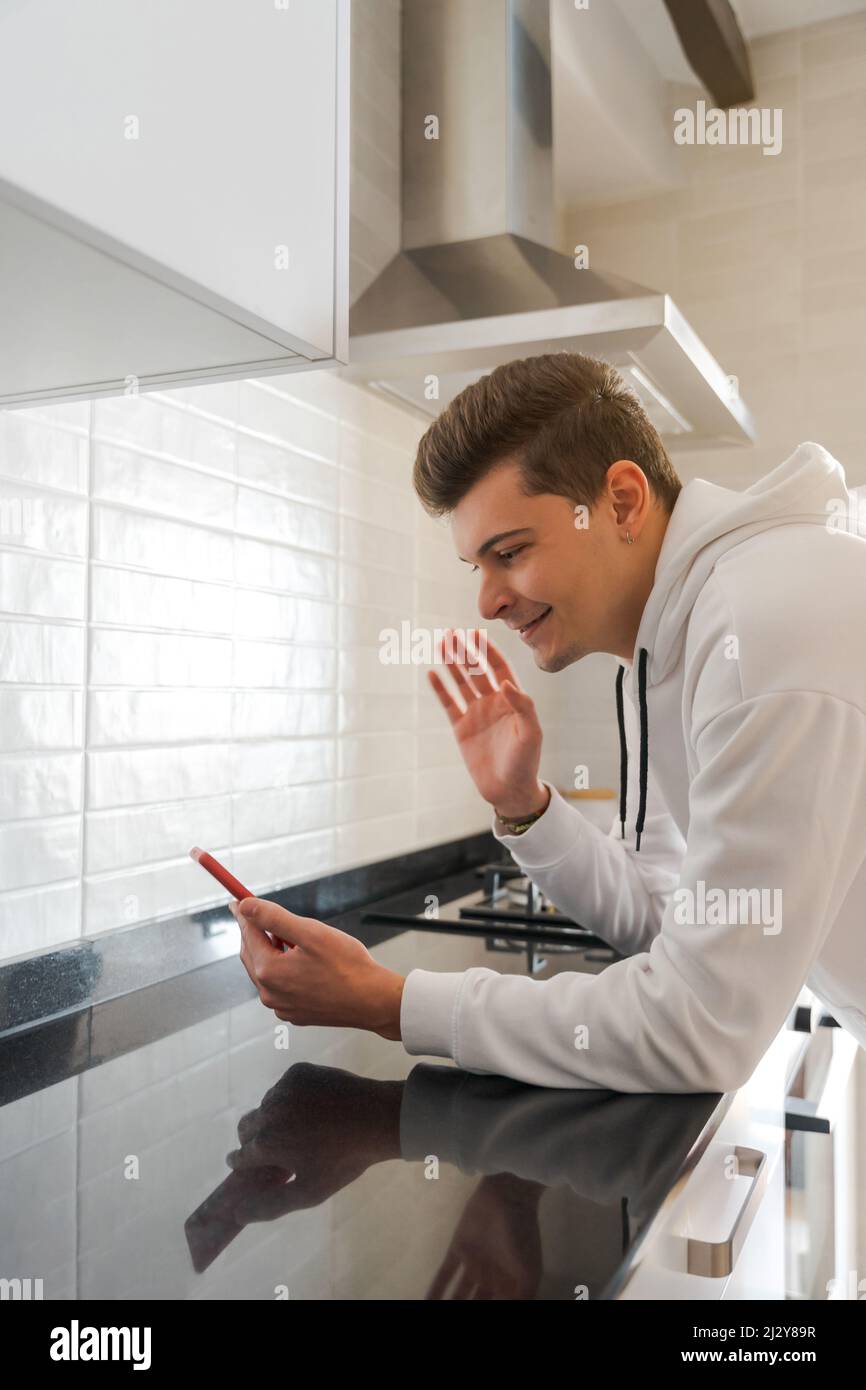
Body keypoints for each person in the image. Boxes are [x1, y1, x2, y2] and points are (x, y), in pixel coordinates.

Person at [231, 351, 866, 1092]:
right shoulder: (668, 644)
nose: (488, 602)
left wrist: (391, 1002)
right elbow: (668, 916)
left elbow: (700, 1023)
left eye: (510, 553)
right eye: (478, 566)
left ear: (623, 501)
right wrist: (524, 807)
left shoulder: (756, 629)